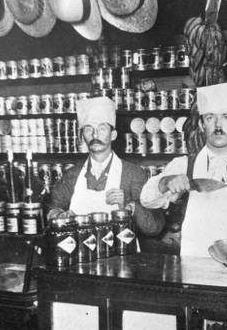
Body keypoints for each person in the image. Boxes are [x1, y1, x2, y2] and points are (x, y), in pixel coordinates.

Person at [139, 82, 227, 259]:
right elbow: (147, 200)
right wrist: (165, 182)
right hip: (197, 268)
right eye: (210, 118)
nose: (218, 125)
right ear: (201, 124)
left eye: (226, 117)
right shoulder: (184, 165)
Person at [47, 96, 163, 237]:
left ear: (113, 135)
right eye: (88, 129)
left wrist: (128, 206)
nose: (95, 135)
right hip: (80, 254)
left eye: (102, 128)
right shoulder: (72, 175)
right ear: (82, 136)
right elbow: (52, 208)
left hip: (121, 254)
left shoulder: (134, 174)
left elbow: (155, 227)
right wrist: (58, 215)